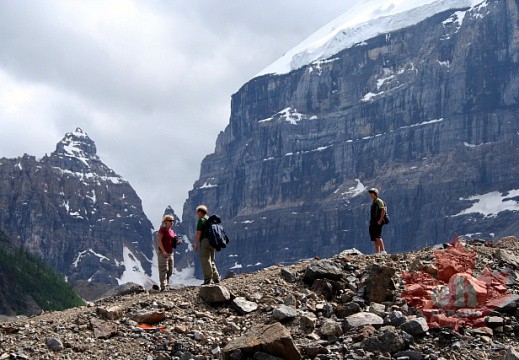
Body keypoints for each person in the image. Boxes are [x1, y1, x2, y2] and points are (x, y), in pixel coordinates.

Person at [193, 205, 220, 285]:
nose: (197, 214)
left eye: (197, 212)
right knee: (211, 260)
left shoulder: (201, 220)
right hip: (213, 242)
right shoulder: (210, 220)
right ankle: (216, 278)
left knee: (205, 260)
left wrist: (196, 244)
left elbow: (198, 233)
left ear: (200, 212)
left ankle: (208, 279)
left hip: (205, 241)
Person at [157, 214, 181, 291]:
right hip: (163, 252)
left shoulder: (172, 231)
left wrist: (178, 241)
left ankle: (166, 284)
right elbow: (159, 240)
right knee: (164, 269)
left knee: (170, 270)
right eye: (170, 221)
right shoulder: (163, 229)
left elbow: (173, 240)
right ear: (165, 221)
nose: (172, 222)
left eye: (173, 221)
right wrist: (163, 251)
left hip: (170, 253)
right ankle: (163, 286)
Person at [368, 188, 387, 254]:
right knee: (375, 238)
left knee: (378, 236)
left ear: (375, 194)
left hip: (378, 221)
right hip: (374, 222)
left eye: (372, 194)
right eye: (370, 194)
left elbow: (383, 210)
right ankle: (377, 252)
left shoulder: (379, 201)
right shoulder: (374, 202)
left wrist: (380, 220)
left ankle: (383, 251)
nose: (371, 195)